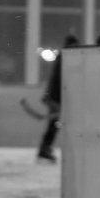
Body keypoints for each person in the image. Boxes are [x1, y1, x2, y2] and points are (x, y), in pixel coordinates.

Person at [37, 34, 76, 163]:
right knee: (53, 125)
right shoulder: (65, 59)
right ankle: (45, 150)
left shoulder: (62, 58)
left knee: (54, 125)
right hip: (56, 98)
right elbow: (58, 81)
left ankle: (45, 149)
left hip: (55, 97)